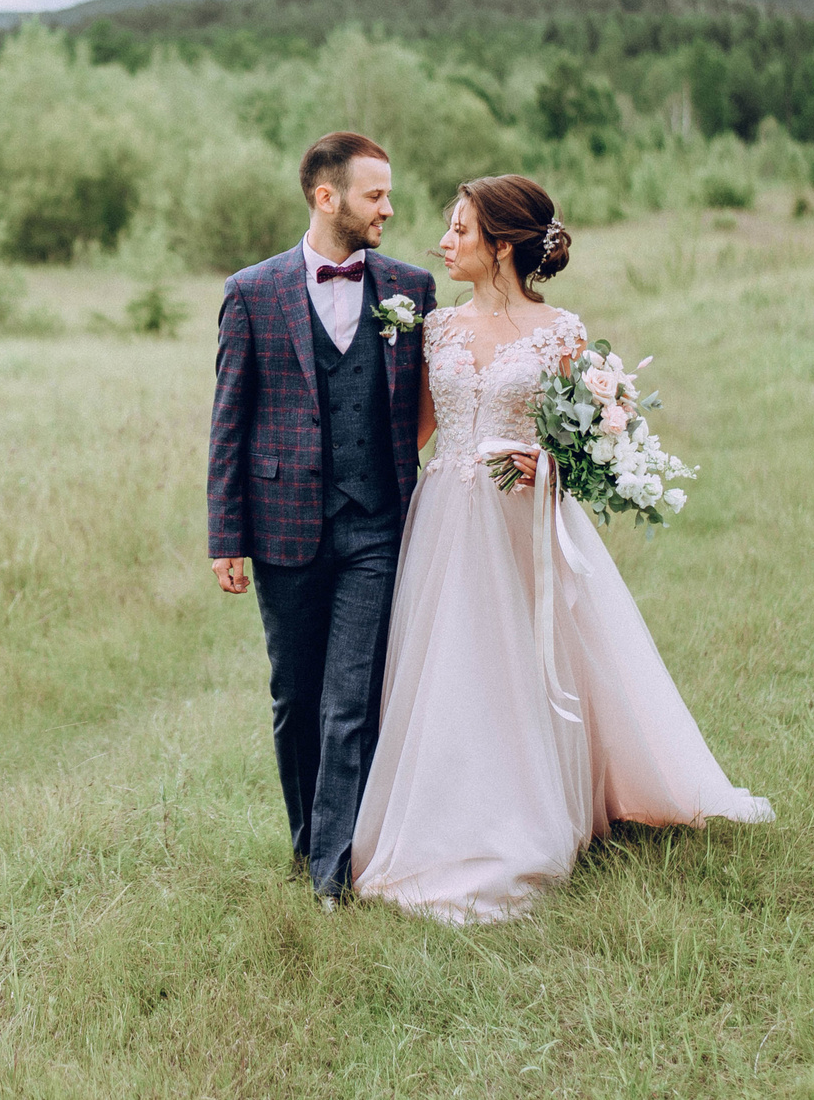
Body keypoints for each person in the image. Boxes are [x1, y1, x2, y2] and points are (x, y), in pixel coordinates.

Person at [349, 174, 771, 924]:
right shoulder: (437, 328)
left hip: (523, 517)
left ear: (503, 244)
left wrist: (550, 463)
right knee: (451, 661)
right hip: (447, 514)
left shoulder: (561, 331)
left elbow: (584, 445)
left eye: (460, 230)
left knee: (523, 659)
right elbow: (413, 433)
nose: (443, 242)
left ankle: (529, 810)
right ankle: (446, 814)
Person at [206, 131, 438, 902]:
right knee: (294, 695)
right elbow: (229, 422)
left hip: (375, 523)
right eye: (376, 194)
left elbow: (435, 402)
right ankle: (308, 841)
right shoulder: (252, 292)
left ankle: (334, 873)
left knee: (350, 696)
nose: (390, 208)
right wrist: (226, 537)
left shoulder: (411, 287)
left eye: (390, 193)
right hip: (282, 525)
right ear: (325, 196)